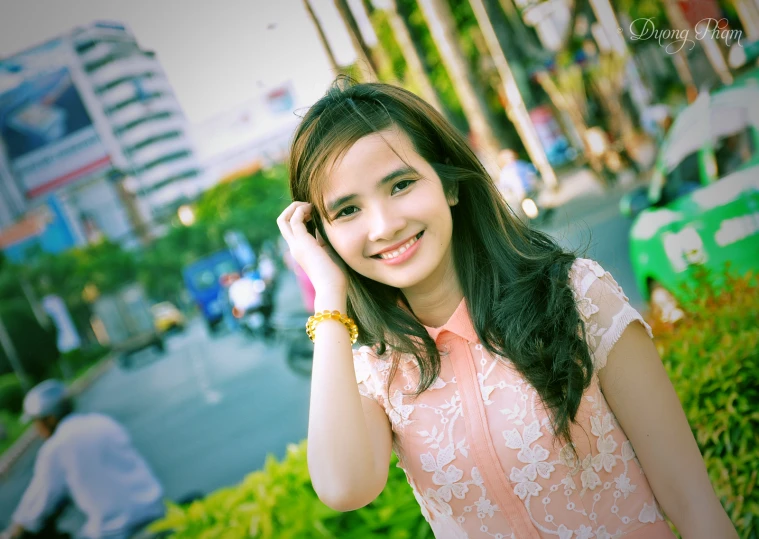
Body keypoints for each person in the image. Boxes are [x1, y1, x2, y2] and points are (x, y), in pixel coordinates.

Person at [276, 78, 737, 538]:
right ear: (324, 235)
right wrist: (329, 295)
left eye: (400, 185)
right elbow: (342, 487)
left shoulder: (576, 295)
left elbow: (691, 499)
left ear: (450, 185)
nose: (383, 225)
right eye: (348, 211)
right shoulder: (376, 372)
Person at [2, 380, 165, 539]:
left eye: (36, 421)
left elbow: (35, 504)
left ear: (50, 419)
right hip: (155, 512)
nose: (36, 429)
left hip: (116, 531)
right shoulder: (103, 422)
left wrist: (12, 532)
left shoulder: (55, 447)